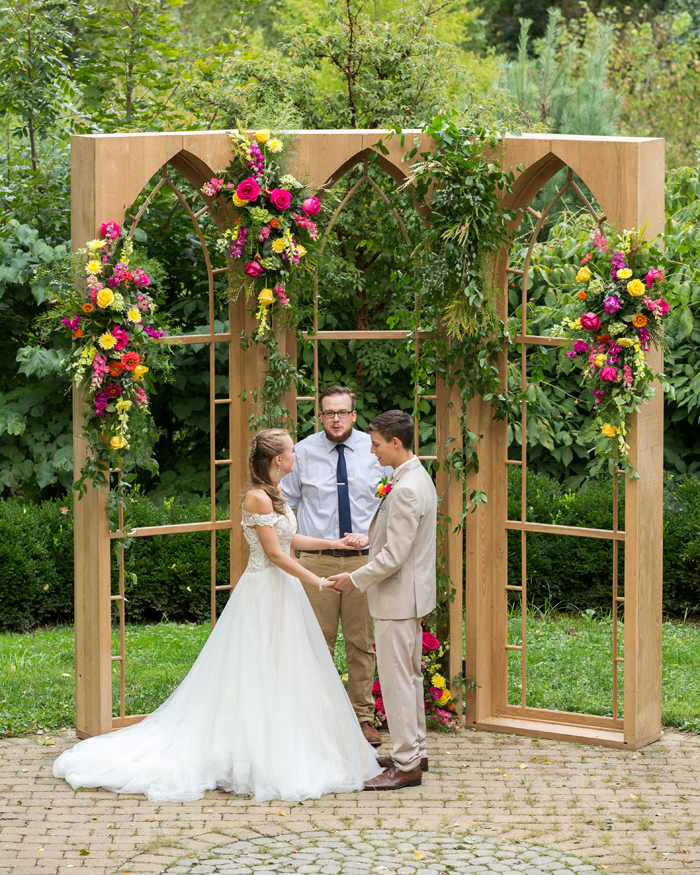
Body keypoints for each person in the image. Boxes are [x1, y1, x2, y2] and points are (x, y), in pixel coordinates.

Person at [53, 428, 382, 802]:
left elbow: (292, 540)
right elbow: (275, 555)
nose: (297, 455)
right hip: (263, 592)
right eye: (292, 450)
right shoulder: (257, 498)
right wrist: (319, 582)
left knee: (284, 667)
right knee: (257, 668)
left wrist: (333, 542)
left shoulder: (275, 494)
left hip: (283, 592)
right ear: (279, 460)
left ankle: (283, 741)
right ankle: (249, 753)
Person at [328, 410, 437, 791]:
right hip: (407, 595)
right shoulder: (413, 477)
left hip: (397, 598)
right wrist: (370, 541)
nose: (371, 450)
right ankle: (416, 750)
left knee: (396, 682)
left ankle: (407, 765)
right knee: (409, 678)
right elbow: (396, 543)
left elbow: (396, 558)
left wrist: (352, 578)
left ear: (395, 442)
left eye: (375, 444)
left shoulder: (406, 488)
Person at [281, 386, 392, 748]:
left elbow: (390, 502)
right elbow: (285, 504)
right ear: (321, 416)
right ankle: (319, 719)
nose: (336, 419)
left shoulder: (373, 450)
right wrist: (299, 548)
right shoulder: (303, 452)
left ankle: (363, 718)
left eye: (343, 412)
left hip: (364, 563)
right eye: (329, 413)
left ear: (354, 415)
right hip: (317, 562)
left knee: (361, 644)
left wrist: (371, 535)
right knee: (317, 643)